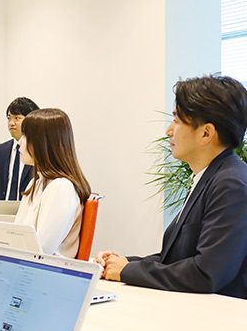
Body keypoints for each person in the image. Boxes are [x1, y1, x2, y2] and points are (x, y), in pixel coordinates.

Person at [95, 75, 247, 299]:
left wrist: (127, 271)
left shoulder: (230, 183)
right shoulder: (210, 176)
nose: (169, 130)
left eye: (177, 120)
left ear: (206, 133)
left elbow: (206, 274)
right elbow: (176, 260)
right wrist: (122, 263)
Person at [14, 108, 91, 258]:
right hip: (27, 265)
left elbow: (41, 250)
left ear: (42, 143)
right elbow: (16, 235)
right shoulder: (36, 183)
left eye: (25, 136)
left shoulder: (61, 187)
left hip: (45, 269)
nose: (19, 142)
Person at [0, 97, 40, 213]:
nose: (11, 123)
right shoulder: (0, 150)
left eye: (17, 118)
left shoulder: (39, 151)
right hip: (1, 216)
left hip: (27, 214)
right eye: (9, 118)